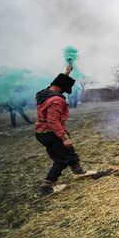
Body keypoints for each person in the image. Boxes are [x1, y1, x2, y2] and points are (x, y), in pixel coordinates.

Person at [34, 65, 92, 197]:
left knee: (69, 149)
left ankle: (78, 171)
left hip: (46, 131)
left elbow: (55, 83)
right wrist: (64, 137)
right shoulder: (56, 101)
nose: (65, 92)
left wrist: (66, 73)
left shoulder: (45, 93)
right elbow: (53, 121)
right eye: (65, 90)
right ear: (61, 88)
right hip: (51, 133)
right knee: (62, 159)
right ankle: (45, 188)